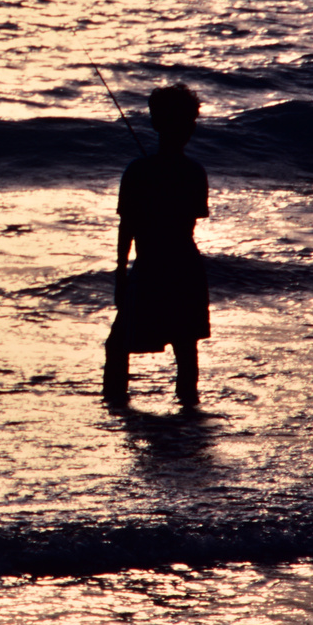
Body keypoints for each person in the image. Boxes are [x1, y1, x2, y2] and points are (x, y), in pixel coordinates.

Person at [104, 84, 209, 406]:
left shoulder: (137, 171)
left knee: (119, 344)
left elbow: (128, 228)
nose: (190, 127)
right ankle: (188, 413)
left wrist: (121, 273)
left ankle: (116, 406)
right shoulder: (194, 172)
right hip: (185, 266)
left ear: (154, 123)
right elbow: (191, 219)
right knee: (185, 347)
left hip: (150, 266)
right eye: (189, 121)